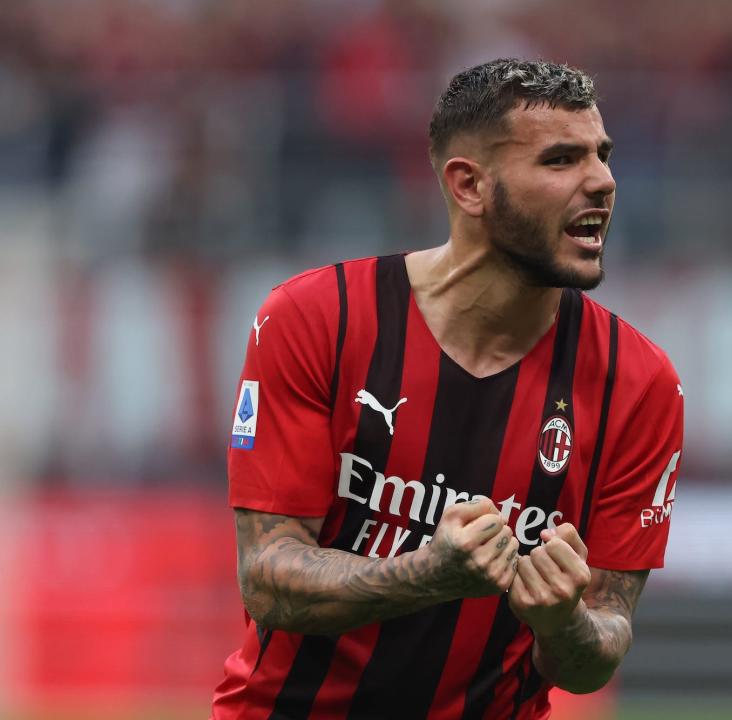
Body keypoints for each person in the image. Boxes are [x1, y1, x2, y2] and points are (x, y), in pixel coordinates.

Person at [211, 58, 684, 720]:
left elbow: (598, 650)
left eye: (602, 157)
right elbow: (267, 579)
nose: (602, 182)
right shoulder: (318, 317)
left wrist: (561, 623)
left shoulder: (640, 384)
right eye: (560, 160)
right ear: (469, 187)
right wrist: (431, 573)